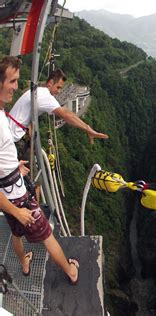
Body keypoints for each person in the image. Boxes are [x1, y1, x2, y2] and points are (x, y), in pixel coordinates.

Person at [0, 56, 79, 284]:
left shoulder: (3, 115)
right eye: (12, 81)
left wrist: (14, 165)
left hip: (10, 186)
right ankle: (71, 271)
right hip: (17, 199)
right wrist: (17, 211)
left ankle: (24, 262)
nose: (17, 87)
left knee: (16, 233)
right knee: (46, 235)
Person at [8, 68, 108, 145]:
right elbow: (66, 114)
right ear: (51, 83)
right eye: (58, 87)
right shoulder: (44, 95)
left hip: (9, 131)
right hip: (11, 136)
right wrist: (88, 129)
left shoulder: (39, 91)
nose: (59, 91)